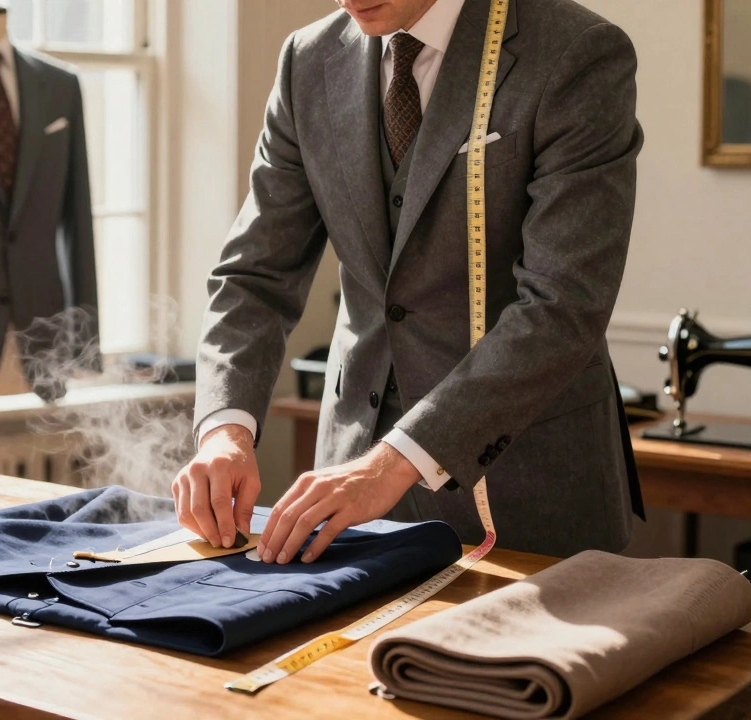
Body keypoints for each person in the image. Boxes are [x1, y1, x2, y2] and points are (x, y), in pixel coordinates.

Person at [173, 0, 645, 563]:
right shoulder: (308, 59)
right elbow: (255, 275)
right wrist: (225, 429)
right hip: (347, 487)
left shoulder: (575, 52)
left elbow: (562, 305)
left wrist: (391, 464)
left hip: (525, 487)